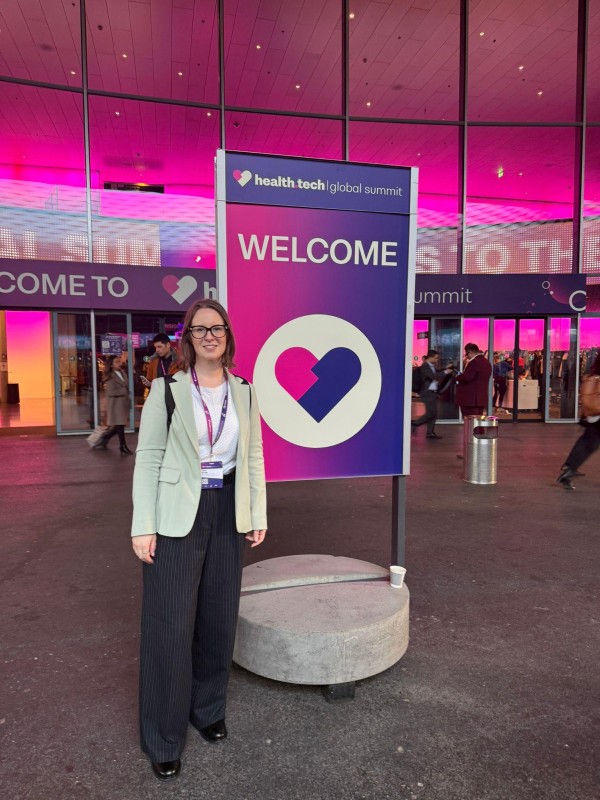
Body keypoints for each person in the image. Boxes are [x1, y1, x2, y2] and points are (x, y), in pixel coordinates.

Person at [131, 298, 267, 781]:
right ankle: (163, 735)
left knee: (217, 617)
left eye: (218, 328)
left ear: (228, 335)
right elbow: (148, 458)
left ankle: (207, 711)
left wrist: (256, 512)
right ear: (187, 338)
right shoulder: (166, 390)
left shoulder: (244, 390)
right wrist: (142, 524)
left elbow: (252, 456)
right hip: (174, 515)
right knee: (169, 625)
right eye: (199, 329)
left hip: (228, 509)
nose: (210, 336)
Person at [556, 352, 600, 490]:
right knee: (590, 441)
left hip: (594, 410)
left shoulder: (595, 368)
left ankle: (570, 468)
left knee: (589, 440)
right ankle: (569, 469)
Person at [92, 354, 133, 454]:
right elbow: (111, 392)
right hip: (116, 405)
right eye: (117, 362)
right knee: (120, 426)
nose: (119, 363)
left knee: (119, 426)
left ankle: (104, 437)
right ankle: (122, 446)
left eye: (119, 361)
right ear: (111, 365)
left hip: (123, 404)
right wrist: (124, 391)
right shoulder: (110, 377)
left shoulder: (122, 373)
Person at [411, 349, 453, 439]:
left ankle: (430, 432)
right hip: (427, 393)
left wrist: (445, 368)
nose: (437, 360)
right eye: (436, 358)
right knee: (431, 413)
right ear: (430, 357)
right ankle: (415, 424)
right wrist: (446, 372)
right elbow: (433, 376)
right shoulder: (425, 366)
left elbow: (436, 372)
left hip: (432, 393)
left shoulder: (430, 366)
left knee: (434, 414)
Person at [455, 343, 492, 417]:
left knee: (470, 422)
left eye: (466, 354)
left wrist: (457, 376)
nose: (467, 357)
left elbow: (467, 378)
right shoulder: (486, 362)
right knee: (478, 421)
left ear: (470, 352)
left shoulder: (474, 362)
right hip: (480, 398)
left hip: (470, 399)